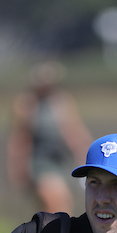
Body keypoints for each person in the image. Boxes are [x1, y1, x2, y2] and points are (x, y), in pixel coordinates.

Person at [7, 62, 93, 215]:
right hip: (40, 161)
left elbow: (74, 130)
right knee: (55, 198)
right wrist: (17, 166)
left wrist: (87, 153)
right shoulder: (26, 103)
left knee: (58, 204)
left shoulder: (61, 100)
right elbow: (20, 138)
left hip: (61, 160)